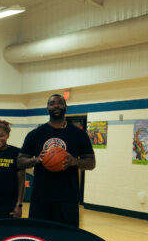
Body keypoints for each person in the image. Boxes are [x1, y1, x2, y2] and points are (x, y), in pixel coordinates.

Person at [18, 94, 96, 227]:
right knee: (41, 237)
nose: (56, 106)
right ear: (47, 108)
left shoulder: (79, 134)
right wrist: (37, 159)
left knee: (66, 240)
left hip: (68, 198)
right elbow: (20, 161)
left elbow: (91, 163)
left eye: (60, 103)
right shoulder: (35, 134)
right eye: (52, 103)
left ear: (66, 106)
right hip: (41, 198)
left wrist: (74, 162)